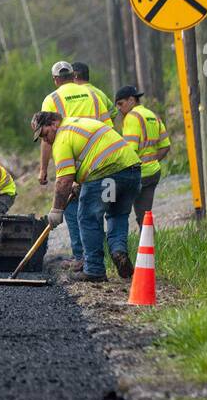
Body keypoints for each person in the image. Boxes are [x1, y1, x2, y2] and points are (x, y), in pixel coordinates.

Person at [31, 110, 142, 283]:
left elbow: (63, 180)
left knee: (87, 218)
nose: (46, 140)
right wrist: (81, 184)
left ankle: (94, 269)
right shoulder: (78, 123)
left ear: (54, 123)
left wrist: (56, 210)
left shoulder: (61, 138)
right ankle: (118, 251)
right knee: (116, 214)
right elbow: (90, 154)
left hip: (107, 173)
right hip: (131, 171)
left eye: (45, 134)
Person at [36, 60, 115, 272]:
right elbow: (109, 126)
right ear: (73, 76)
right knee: (95, 209)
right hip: (102, 155)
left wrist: (43, 169)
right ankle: (99, 255)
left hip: (72, 153)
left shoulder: (51, 99)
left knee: (71, 206)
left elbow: (46, 137)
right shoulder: (94, 95)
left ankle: (82, 257)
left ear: (55, 80)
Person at [114, 85, 172, 229]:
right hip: (153, 173)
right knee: (145, 216)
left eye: (121, 104)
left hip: (139, 175)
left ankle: (141, 248)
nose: (119, 109)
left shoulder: (131, 117)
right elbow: (165, 146)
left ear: (132, 100)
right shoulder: (153, 115)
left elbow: (129, 151)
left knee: (123, 213)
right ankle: (149, 248)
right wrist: (151, 161)